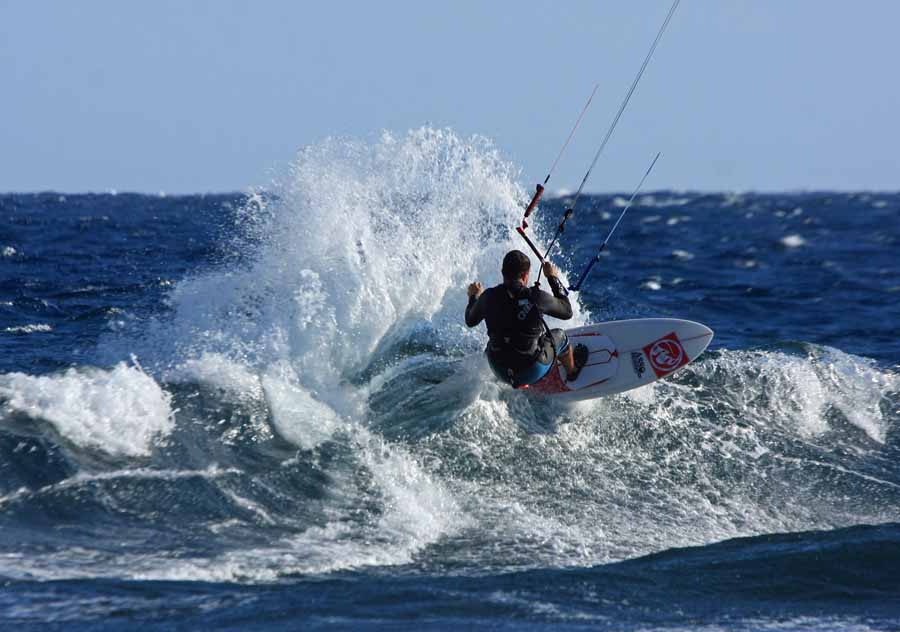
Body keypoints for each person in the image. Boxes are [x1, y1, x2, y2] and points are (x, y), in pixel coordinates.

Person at [465, 250, 588, 387]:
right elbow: (567, 311)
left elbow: (470, 321)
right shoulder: (537, 297)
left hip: (499, 370)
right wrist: (552, 278)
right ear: (525, 275)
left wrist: (473, 297)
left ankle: (508, 378)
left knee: (493, 344)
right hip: (530, 371)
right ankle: (572, 371)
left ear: (502, 272)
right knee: (561, 336)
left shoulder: (488, 297)